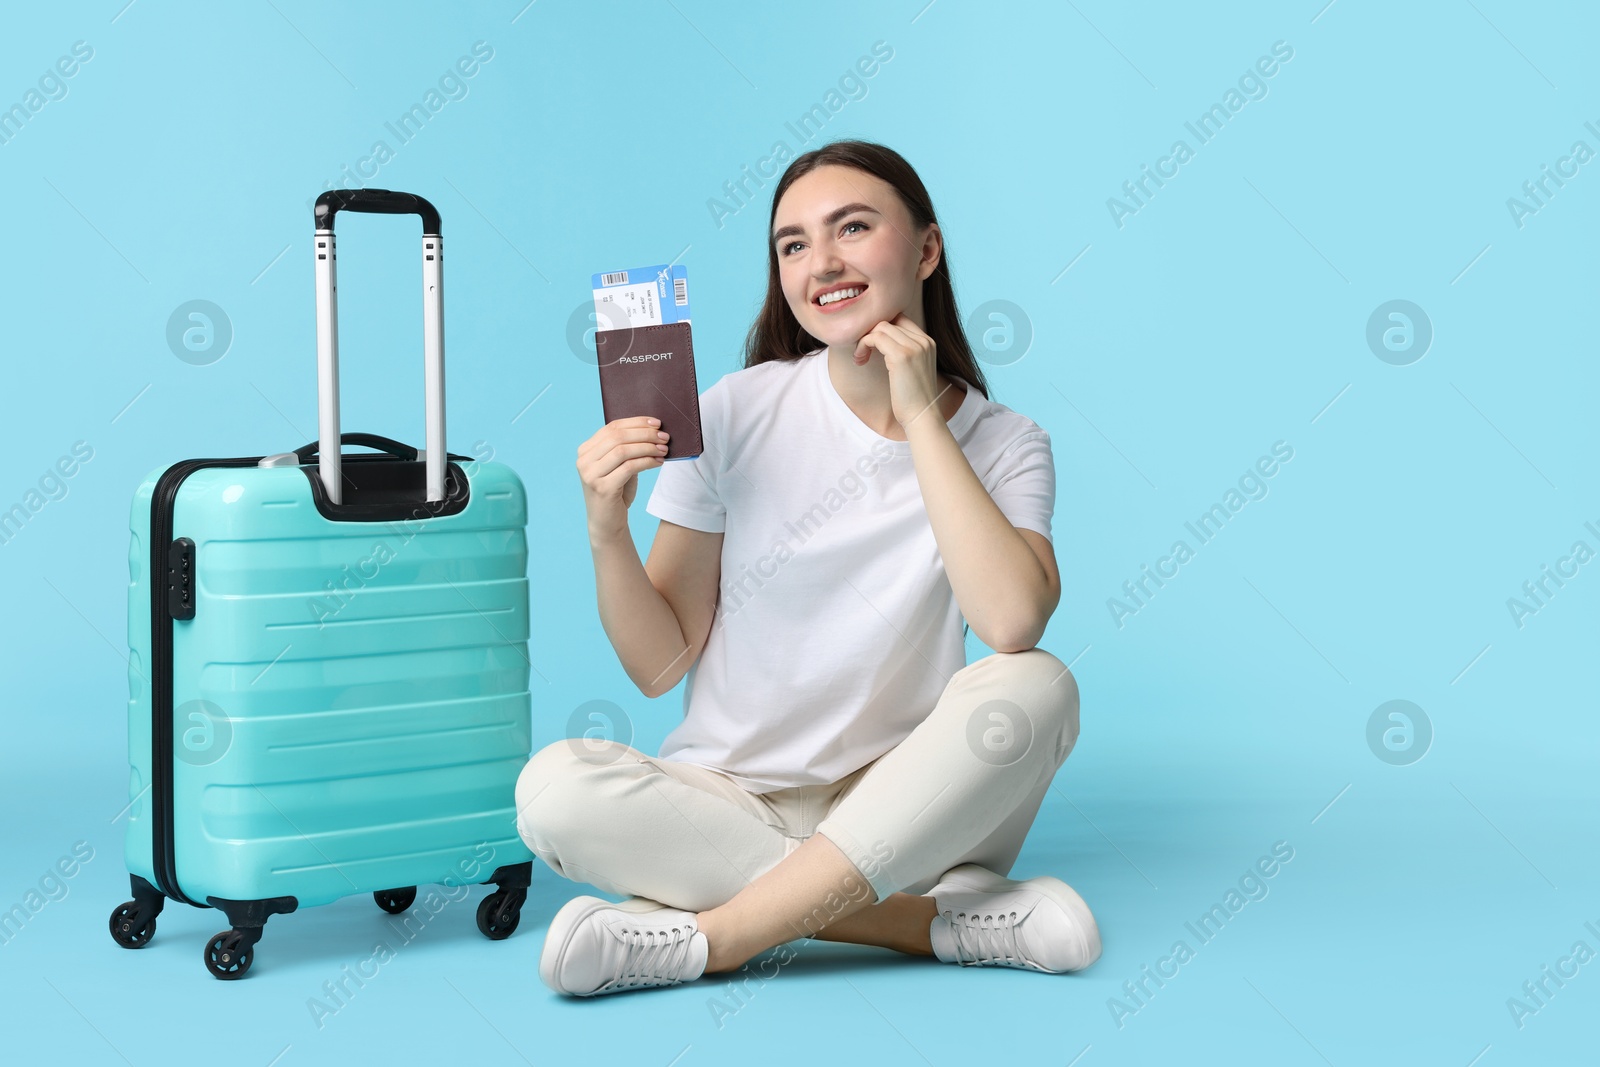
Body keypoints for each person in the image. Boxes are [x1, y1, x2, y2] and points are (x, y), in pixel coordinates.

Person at [517, 139, 1099, 997]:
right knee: (553, 790)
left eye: (852, 228)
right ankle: (927, 924)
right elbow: (660, 664)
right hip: (730, 797)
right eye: (792, 245)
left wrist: (919, 416)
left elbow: (1011, 620)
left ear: (927, 249)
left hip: (908, 807)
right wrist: (607, 531)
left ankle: (711, 938)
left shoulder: (1008, 442)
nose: (820, 262)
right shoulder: (735, 410)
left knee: (1038, 685)